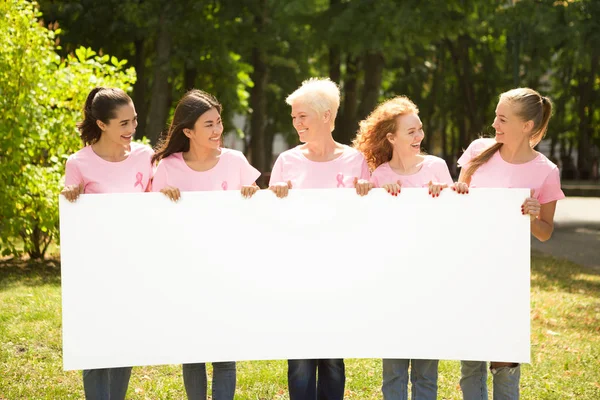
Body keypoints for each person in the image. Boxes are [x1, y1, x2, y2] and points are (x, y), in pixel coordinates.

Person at [456, 88, 565, 400]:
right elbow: (457, 203)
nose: (494, 124)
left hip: (507, 277)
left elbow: (545, 232)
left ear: (526, 126)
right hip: (469, 269)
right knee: (472, 357)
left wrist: (532, 215)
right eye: (495, 116)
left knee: (505, 358)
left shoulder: (545, 170)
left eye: (502, 118)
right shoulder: (478, 151)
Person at [151, 89, 260, 400]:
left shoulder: (235, 161)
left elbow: (255, 216)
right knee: (194, 353)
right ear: (188, 131)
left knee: (225, 355)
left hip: (227, 270)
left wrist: (252, 195)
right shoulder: (169, 167)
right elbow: (154, 221)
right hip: (185, 273)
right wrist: (162, 199)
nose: (217, 130)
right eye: (208, 125)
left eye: (218, 122)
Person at [269, 77, 372, 400]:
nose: (297, 123)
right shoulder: (287, 161)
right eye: (294, 118)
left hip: (339, 273)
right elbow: (272, 220)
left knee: (331, 358)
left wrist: (366, 194)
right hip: (296, 272)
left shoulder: (355, 161)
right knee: (300, 360)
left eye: (303, 116)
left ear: (326, 116)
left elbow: (367, 219)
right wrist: (276, 197)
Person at [353, 95, 452, 400]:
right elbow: (368, 228)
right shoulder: (380, 175)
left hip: (430, 283)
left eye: (420, 129)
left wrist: (446, 193)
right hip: (393, 284)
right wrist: (372, 193)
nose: (419, 136)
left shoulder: (437, 167)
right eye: (411, 132)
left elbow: (454, 221)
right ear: (391, 138)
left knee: (425, 373)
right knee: (394, 372)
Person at [61, 87, 153, 400]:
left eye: (134, 121)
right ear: (102, 125)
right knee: (95, 346)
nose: (132, 129)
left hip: (133, 265)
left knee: (123, 345)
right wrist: (70, 196)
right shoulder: (78, 163)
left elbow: (156, 204)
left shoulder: (145, 157)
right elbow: (73, 212)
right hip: (94, 269)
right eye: (124, 123)